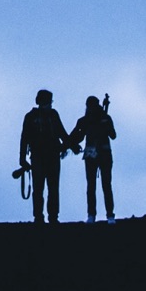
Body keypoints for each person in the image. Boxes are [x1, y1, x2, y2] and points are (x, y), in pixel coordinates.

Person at [20, 89, 70, 225]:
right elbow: (24, 138)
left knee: (47, 189)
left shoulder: (35, 116)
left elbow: (61, 132)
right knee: (43, 189)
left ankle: (47, 217)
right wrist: (22, 158)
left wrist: (22, 158)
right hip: (44, 157)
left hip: (45, 157)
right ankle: (43, 217)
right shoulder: (38, 116)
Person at [71, 96, 117, 224]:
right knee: (94, 186)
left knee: (104, 185)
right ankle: (93, 214)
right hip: (92, 154)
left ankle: (108, 215)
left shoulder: (104, 118)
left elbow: (113, 135)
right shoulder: (86, 120)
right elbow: (77, 136)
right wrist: (71, 144)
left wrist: (106, 125)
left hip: (104, 154)